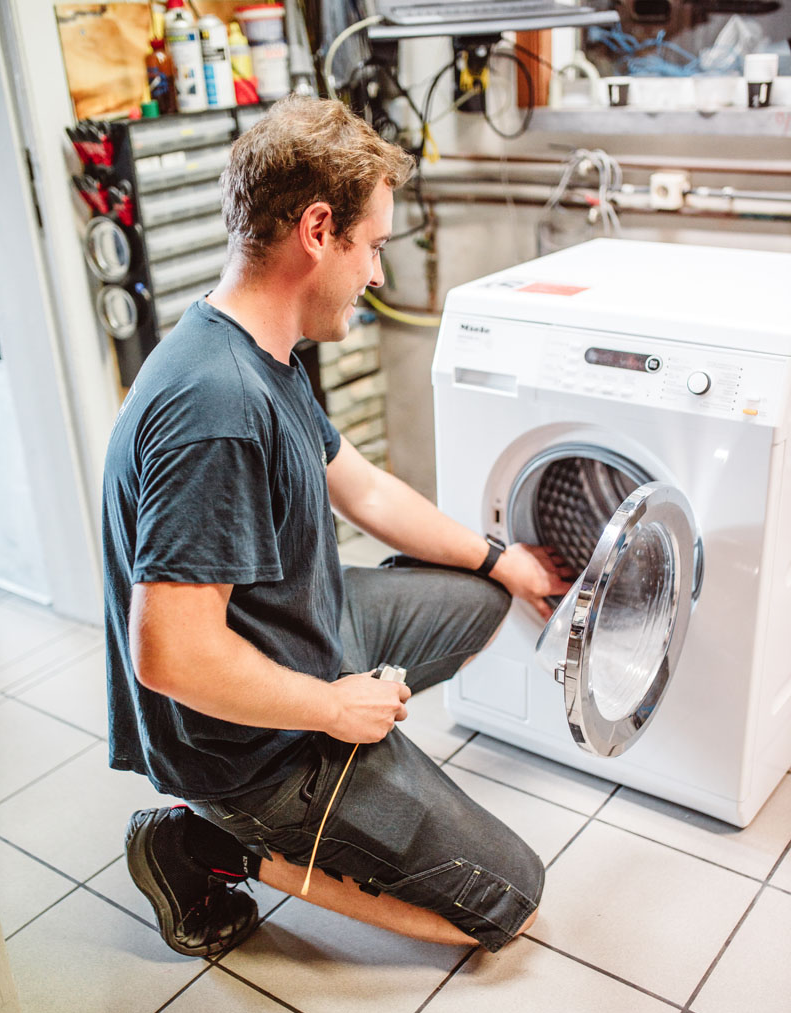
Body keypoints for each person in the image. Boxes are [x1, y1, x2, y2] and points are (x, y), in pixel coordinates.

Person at [103, 96, 571, 961]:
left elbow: (366, 491)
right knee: (510, 904)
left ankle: (342, 760)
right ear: (319, 230)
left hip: (304, 629)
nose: (379, 274)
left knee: (476, 594)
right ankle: (214, 841)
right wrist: (332, 707)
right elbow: (168, 653)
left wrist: (504, 560)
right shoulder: (217, 406)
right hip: (247, 749)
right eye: (375, 246)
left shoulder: (255, 350)